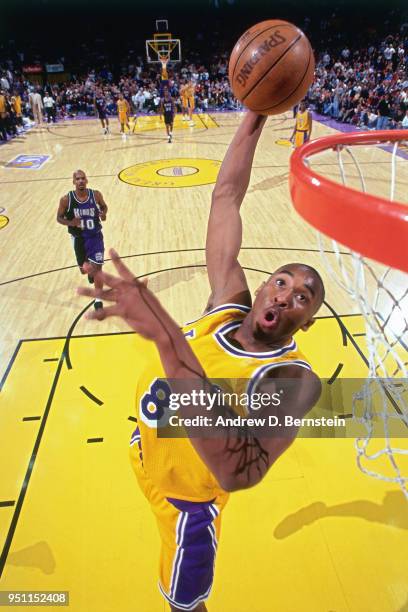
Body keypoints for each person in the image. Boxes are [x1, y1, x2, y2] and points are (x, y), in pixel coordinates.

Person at [78, 111, 324, 611]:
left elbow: (242, 471)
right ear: (263, 283)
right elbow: (226, 198)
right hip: (146, 451)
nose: (285, 295)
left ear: (308, 321)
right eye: (282, 281)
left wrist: (171, 345)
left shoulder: (292, 378)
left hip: (187, 506)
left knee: (185, 605)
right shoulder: (228, 299)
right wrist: (254, 112)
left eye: (302, 297)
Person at [58, 170, 108, 312]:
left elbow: (104, 206)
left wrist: (103, 213)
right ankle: (90, 274)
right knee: (84, 270)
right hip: (79, 239)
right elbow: (59, 218)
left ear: (87, 180)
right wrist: (71, 223)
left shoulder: (96, 195)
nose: (80, 181)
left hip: (95, 237)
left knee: (98, 268)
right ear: (73, 182)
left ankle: (98, 299)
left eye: (83, 178)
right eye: (77, 179)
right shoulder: (66, 200)